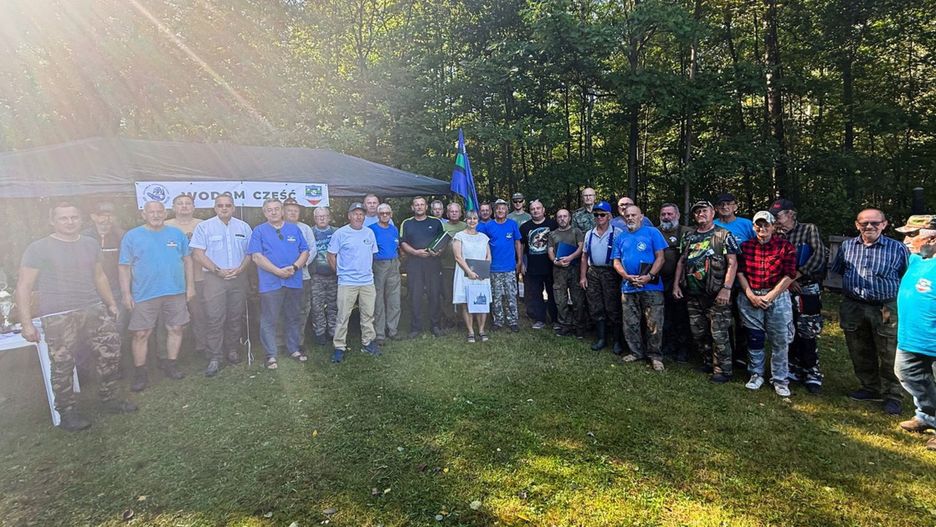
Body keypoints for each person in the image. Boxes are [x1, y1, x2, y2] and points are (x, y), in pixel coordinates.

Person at [17, 202, 135, 431]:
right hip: (58, 314)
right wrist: (26, 323)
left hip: (92, 307)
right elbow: (24, 285)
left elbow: (99, 276)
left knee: (110, 351)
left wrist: (110, 303)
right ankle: (67, 412)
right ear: (53, 221)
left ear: (81, 220)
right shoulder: (38, 248)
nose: (69, 222)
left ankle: (109, 398)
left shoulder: (90, 244)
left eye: (73, 217)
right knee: (63, 363)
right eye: (63, 218)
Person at [831, 208, 909, 415]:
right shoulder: (848, 246)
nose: (869, 226)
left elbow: (906, 275)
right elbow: (839, 270)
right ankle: (869, 387)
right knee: (858, 348)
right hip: (853, 305)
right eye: (864, 223)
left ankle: (893, 394)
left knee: (888, 350)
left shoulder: (897, 249)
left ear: (884, 224)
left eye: (875, 223)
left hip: (885, 307)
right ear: (857, 225)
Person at [119, 201, 195, 391]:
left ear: (165, 213)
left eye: (159, 211)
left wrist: (191, 286)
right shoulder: (132, 236)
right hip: (144, 293)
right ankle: (140, 373)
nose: (155, 215)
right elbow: (124, 267)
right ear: (143, 215)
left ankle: (171, 364)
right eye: (151, 212)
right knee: (141, 333)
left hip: (175, 290)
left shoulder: (176, 234)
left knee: (176, 328)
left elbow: (187, 261)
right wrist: (126, 293)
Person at [673, 200, 740, 383]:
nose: (700, 214)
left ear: (712, 213)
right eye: (697, 212)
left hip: (717, 294)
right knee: (698, 332)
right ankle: (708, 361)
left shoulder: (723, 235)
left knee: (719, 333)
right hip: (693, 294)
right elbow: (681, 262)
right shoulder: (689, 237)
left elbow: (733, 263)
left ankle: (723, 369)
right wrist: (676, 285)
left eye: (704, 210)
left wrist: (726, 289)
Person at [190, 194, 252, 376]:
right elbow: (198, 254)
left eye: (228, 205)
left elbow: (250, 253)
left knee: (235, 316)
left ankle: (232, 350)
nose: (224, 208)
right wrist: (218, 270)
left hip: (238, 278)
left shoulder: (244, 227)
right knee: (214, 317)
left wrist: (240, 270)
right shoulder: (204, 227)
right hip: (214, 279)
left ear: (233, 208)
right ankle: (215, 356)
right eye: (220, 205)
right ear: (215, 208)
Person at [736, 211, 797, 397]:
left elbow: (790, 274)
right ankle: (756, 373)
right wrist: (750, 295)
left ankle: (780, 378)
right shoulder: (745, 247)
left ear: (773, 226)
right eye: (758, 225)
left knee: (780, 339)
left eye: (766, 225)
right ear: (754, 227)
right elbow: (740, 272)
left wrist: (771, 295)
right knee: (755, 337)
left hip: (777, 296)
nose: (762, 228)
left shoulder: (785, 247)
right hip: (751, 295)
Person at [770, 198, 827, 394]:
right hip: (784, 288)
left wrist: (795, 276)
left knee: (808, 330)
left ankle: (812, 372)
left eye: (778, 216)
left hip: (806, 287)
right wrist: (787, 281)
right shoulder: (775, 234)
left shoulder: (808, 229)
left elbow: (818, 255)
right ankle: (793, 367)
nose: (776, 220)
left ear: (790, 214)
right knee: (788, 328)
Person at [247, 198, 310, 369]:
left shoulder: (294, 229)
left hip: (293, 281)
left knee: (293, 317)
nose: (273, 212)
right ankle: (271, 355)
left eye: (276, 209)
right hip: (270, 283)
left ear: (282, 211)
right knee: (269, 319)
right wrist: (277, 271)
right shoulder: (259, 231)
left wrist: (295, 267)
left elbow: (305, 250)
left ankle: (294, 349)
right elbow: (256, 257)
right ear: (264, 212)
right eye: (269, 209)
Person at [893, 219, 936, 451]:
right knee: (907, 374)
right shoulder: (917, 260)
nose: (906, 241)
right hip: (911, 337)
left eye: (912, 236)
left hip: (933, 339)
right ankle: (927, 416)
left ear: (932, 239)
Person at [612, 205, 667, 370]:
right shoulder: (620, 237)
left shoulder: (652, 232)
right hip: (629, 286)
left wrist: (649, 276)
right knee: (630, 322)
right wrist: (626, 276)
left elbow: (661, 258)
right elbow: (616, 261)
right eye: (627, 215)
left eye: (633, 215)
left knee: (654, 322)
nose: (629, 218)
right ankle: (636, 352)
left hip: (651, 286)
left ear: (641, 216)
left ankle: (655, 356)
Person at [327, 202, 380, 363]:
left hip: (367, 281)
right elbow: (331, 255)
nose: (358, 217)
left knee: (368, 314)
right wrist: (340, 273)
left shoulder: (369, 233)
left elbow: (372, 254)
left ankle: (368, 343)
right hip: (347, 282)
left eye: (361, 214)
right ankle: (339, 347)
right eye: (355, 214)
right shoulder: (341, 233)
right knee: (343, 316)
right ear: (349, 216)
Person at [164, 194, 207, 359]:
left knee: (199, 314)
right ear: (173, 207)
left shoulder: (202, 225)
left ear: (194, 207)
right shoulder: (165, 225)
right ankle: (166, 353)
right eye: (180, 203)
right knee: (170, 318)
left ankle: (201, 346)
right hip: (171, 280)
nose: (184, 206)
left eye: (188, 203)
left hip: (198, 278)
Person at [580, 201, 623, 353]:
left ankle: (617, 341)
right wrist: (583, 276)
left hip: (610, 273)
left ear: (609, 216)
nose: (599, 217)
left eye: (602, 214)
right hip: (593, 272)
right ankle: (601, 338)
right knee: (596, 306)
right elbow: (584, 256)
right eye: (596, 214)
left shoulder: (617, 233)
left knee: (613, 307)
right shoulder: (589, 234)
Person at [400, 196, 445, 337]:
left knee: (434, 294)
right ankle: (415, 327)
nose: (419, 207)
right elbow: (402, 242)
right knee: (415, 294)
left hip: (433, 262)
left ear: (426, 207)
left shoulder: (436, 222)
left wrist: (438, 252)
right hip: (414, 263)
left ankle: (435, 325)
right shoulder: (407, 223)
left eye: (422, 204)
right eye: (416, 205)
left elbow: (443, 240)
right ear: (413, 208)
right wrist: (415, 252)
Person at [478, 199, 522, 332]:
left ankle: (513, 320)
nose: (500, 211)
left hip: (509, 267)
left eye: (503, 208)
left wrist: (519, 261)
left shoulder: (512, 224)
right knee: (496, 296)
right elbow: (477, 238)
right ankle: (498, 321)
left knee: (511, 295)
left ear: (507, 210)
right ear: (493, 211)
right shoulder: (487, 226)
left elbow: (517, 243)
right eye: (497, 209)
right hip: (493, 268)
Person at [657, 202, 692, 361]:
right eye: (663, 214)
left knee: (681, 315)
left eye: (670, 214)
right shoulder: (655, 232)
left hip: (680, 281)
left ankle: (683, 348)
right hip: (659, 280)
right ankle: (667, 345)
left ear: (677, 215)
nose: (666, 217)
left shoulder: (687, 232)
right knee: (664, 315)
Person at [452, 210, 492, 342]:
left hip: (481, 274)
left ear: (478, 220)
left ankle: (481, 330)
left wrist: (483, 271)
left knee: (482, 302)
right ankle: (470, 331)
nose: (472, 221)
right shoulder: (459, 236)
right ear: (466, 220)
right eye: (469, 219)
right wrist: (469, 271)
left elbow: (488, 257)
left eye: (475, 218)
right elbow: (458, 257)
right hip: (465, 274)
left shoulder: (483, 237)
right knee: (466, 302)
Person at [519, 200, 558, 329]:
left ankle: (555, 319)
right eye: (533, 209)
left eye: (538, 208)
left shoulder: (553, 224)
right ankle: (540, 319)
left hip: (551, 266)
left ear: (543, 210)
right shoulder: (525, 227)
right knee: (536, 294)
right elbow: (522, 245)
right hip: (533, 266)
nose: (535, 211)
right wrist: (522, 263)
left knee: (553, 293)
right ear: (530, 211)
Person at [282, 198, 314, 349]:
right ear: (283, 211)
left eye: (296, 210)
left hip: (302, 276)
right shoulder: (277, 228)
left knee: (301, 309)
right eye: (289, 210)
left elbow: (312, 250)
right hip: (281, 276)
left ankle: (297, 341)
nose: (293, 212)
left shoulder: (305, 228)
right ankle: (281, 341)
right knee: (282, 308)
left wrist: (299, 265)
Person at [548, 209, 585, 337]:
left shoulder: (576, 232)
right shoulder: (552, 234)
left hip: (574, 268)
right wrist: (555, 261)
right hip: (559, 271)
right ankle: (564, 325)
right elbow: (550, 250)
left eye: (565, 216)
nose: (562, 219)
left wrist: (571, 257)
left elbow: (581, 247)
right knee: (560, 299)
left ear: (569, 218)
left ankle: (579, 326)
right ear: (556, 219)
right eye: (559, 217)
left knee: (577, 299)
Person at [368, 203, 402, 344]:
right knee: (378, 299)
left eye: (387, 213)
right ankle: (380, 333)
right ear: (377, 215)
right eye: (382, 213)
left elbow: (397, 247)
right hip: (378, 265)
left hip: (394, 263)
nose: (385, 215)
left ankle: (392, 330)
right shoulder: (371, 230)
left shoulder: (394, 229)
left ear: (391, 214)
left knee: (394, 298)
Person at [309, 207, 338, 345]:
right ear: (315, 218)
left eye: (324, 216)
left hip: (334, 275)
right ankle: (320, 332)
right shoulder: (310, 232)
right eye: (319, 216)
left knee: (334, 305)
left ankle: (333, 331)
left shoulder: (337, 232)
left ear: (329, 217)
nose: (322, 218)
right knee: (317, 305)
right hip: (316, 276)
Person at [440, 202, 468, 328]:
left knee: (463, 293)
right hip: (447, 265)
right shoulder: (442, 227)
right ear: (447, 213)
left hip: (463, 266)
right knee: (448, 293)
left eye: (457, 211)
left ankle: (463, 319)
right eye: (452, 211)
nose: (454, 213)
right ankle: (449, 318)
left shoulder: (466, 226)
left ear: (461, 213)